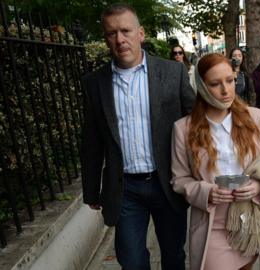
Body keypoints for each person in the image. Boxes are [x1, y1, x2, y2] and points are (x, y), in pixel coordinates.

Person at [81, 3, 195, 270]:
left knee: (174, 255)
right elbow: (92, 139)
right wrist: (91, 189)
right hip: (125, 189)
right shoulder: (94, 83)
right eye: (111, 33)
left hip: (167, 181)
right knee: (131, 261)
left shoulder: (171, 72)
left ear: (140, 33)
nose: (119, 39)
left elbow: (196, 124)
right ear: (105, 38)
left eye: (125, 31)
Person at [171, 53, 260, 270]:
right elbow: (180, 179)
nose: (226, 91)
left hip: (250, 216)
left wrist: (259, 186)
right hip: (212, 222)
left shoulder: (256, 117)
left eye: (230, 81)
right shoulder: (183, 128)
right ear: (202, 87)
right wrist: (206, 192)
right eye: (215, 84)